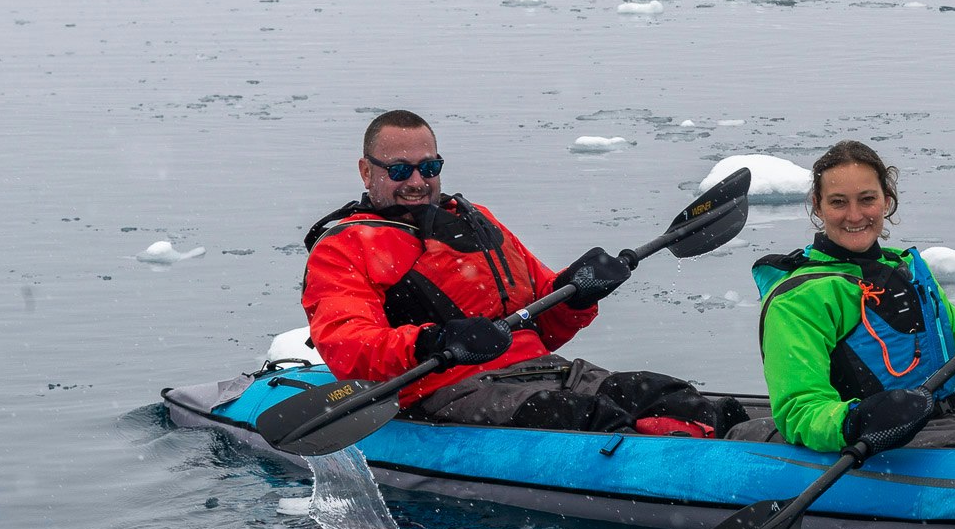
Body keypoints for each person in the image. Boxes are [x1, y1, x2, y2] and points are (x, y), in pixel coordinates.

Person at [300, 109, 728, 436]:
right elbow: (348, 347)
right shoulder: (344, 247)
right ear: (367, 171)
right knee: (591, 422)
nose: (416, 181)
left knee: (669, 397)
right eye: (399, 170)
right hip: (450, 389)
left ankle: (714, 451)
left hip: (545, 370)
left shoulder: (475, 220)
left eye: (429, 168)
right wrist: (435, 340)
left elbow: (542, 317)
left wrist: (579, 291)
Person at [728, 139, 955, 453]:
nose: (854, 215)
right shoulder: (799, 298)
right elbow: (800, 411)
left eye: (867, 199)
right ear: (818, 207)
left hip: (952, 425)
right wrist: (857, 420)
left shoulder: (907, 271)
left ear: (887, 200)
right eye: (838, 202)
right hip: (881, 448)